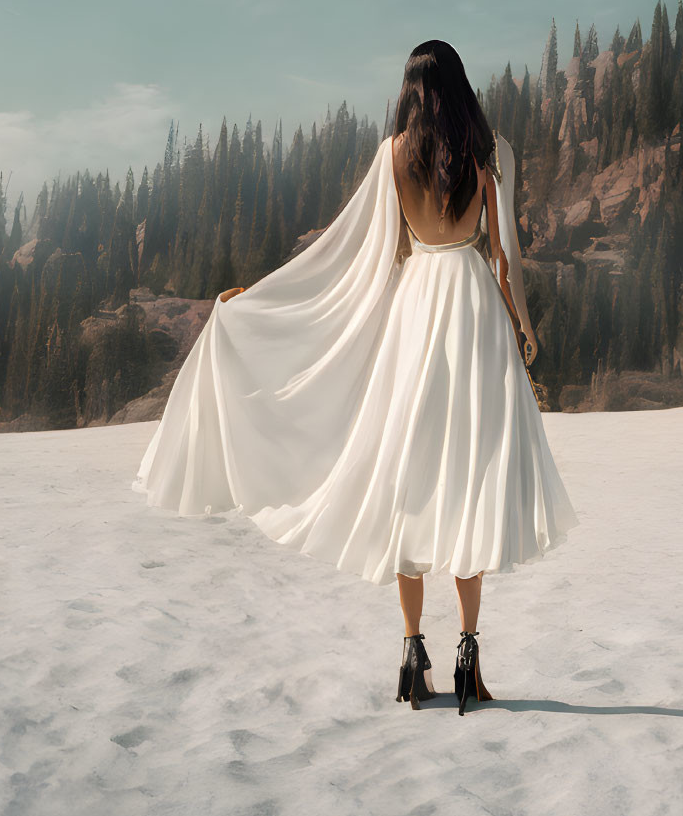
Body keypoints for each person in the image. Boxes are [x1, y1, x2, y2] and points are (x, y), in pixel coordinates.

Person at [132, 40, 578, 715]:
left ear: (410, 89)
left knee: (408, 478)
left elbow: (352, 251)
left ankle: (409, 653)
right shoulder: (492, 155)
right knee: (467, 481)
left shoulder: (392, 155)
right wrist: (521, 324)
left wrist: (258, 297)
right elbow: (504, 259)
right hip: (472, 312)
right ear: (457, 85)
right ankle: (468, 656)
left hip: (416, 309)